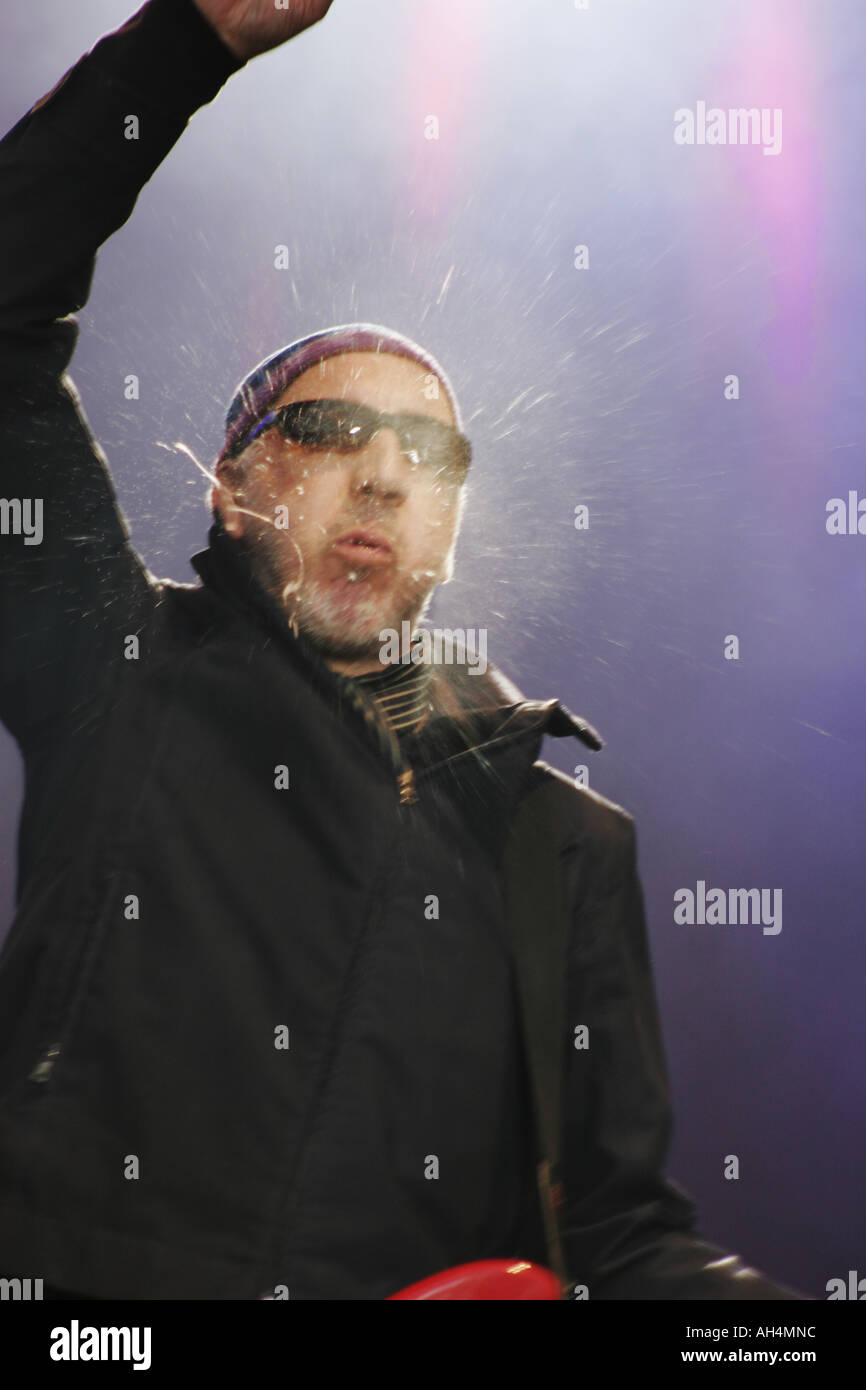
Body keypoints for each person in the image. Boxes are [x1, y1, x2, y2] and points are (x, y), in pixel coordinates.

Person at [0, 0, 807, 1301]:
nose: (381, 473)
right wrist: (183, 44)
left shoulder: (558, 845)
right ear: (231, 485)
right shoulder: (114, 664)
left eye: (427, 456)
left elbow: (617, 1235)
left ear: (444, 532)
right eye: (324, 429)